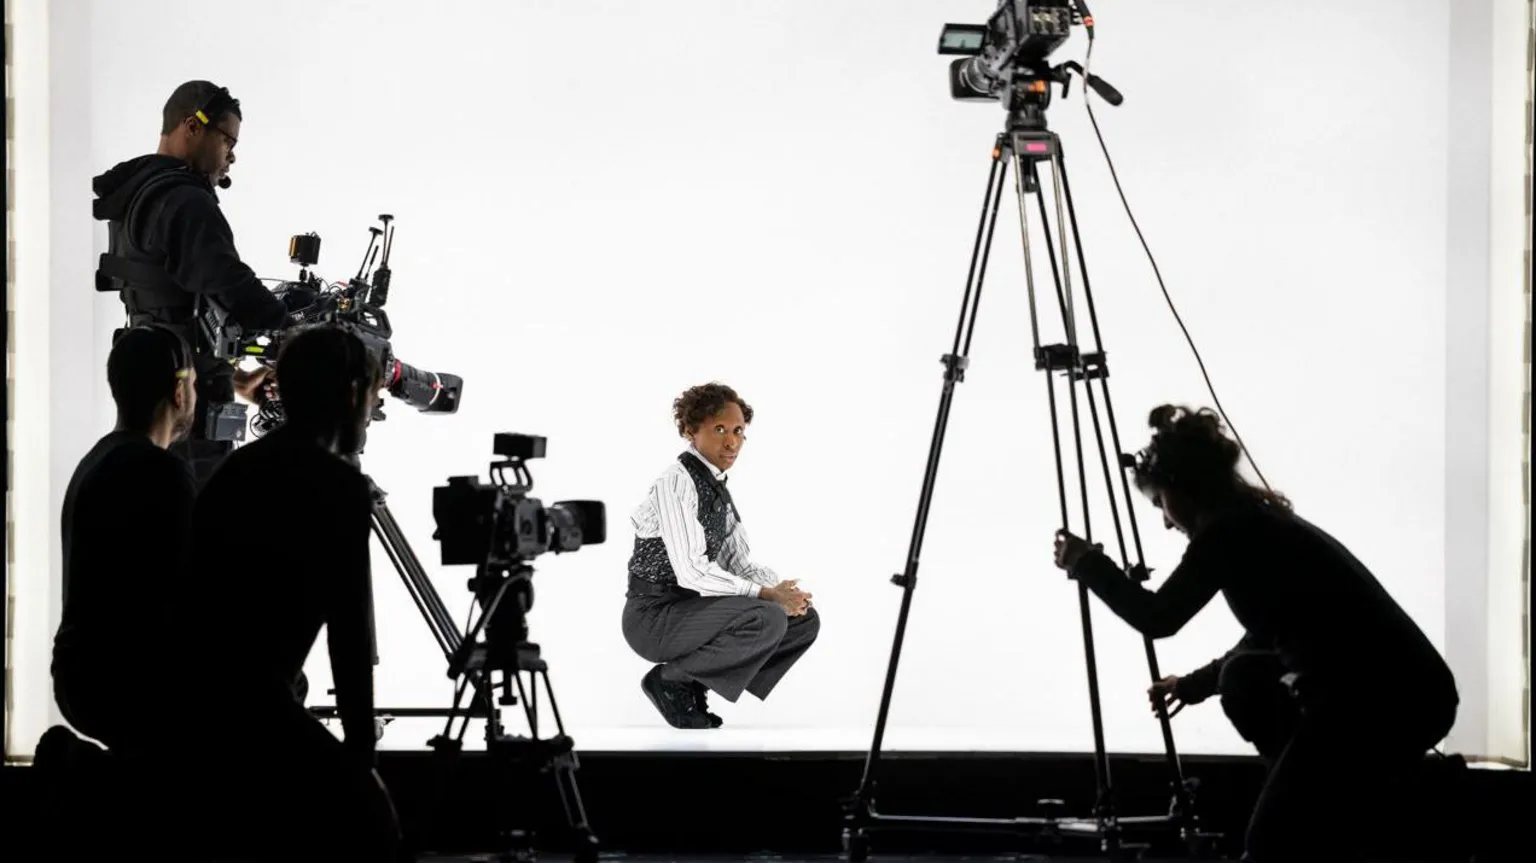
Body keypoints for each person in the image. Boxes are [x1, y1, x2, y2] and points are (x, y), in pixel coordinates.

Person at [1052, 404, 1458, 863]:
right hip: (1407, 693)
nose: (1165, 520)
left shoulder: (1227, 534)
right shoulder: (1256, 523)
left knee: (1270, 842)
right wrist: (1191, 685)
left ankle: (1336, 813)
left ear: (1183, 487)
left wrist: (1087, 563)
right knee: (1242, 677)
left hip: (1384, 702)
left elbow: (1158, 617)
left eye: (1160, 502)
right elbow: (1265, 635)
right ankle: (1346, 808)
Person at [173, 325, 401, 861]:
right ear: (351, 393)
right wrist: (361, 761)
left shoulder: (236, 471)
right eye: (372, 395)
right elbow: (349, 637)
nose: (372, 410)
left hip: (199, 705)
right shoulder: (339, 487)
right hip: (247, 708)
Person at [93, 79, 293, 485]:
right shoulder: (185, 200)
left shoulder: (138, 192)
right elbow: (228, 282)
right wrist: (294, 331)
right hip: (190, 410)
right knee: (200, 510)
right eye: (227, 141)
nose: (231, 156)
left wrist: (235, 378)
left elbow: (175, 310)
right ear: (192, 127)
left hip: (158, 390)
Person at [622, 382, 820, 729]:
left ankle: (692, 681)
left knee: (802, 621)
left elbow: (738, 564)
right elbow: (692, 572)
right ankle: (670, 681)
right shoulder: (676, 482)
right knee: (767, 617)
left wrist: (782, 592)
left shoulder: (716, 489)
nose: (732, 442)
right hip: (653, 619)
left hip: (689, 612)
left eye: (738, 431)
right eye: (719, 429)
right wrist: (767, 596)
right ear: (690, 431)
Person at [49, 325, 199, 757]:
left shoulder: (100, 457)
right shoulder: (159, 471)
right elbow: (194, 591)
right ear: (178, 393)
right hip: (127, 684)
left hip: (83, 676)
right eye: (194, 383)